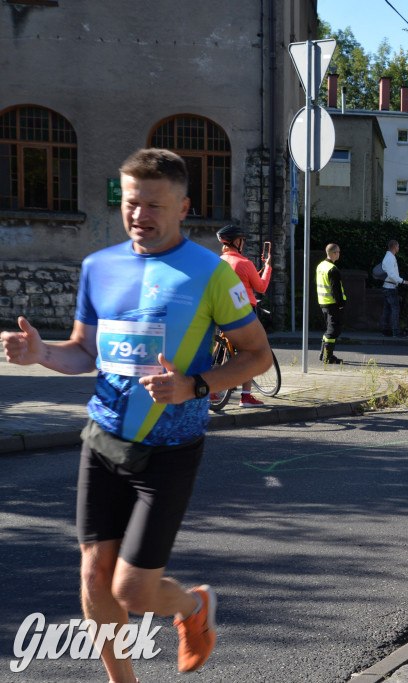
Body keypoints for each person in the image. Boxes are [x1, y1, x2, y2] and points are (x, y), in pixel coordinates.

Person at [1, 149, 272, 681]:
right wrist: (41, 354)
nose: (139, 215)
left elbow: (257, 355)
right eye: (131, 202)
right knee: (93, 576)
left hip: (170, 450)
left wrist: (194, 385)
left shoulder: (211, 273)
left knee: (133, 590)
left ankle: (192, 607)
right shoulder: (99, 267)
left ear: (183, 208)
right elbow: (84, 351)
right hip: (102, 439)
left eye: (154, 204)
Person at [216, 224, 272, 407]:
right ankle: (246, 397)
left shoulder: (218, 262)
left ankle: (211, 391)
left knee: (218, 349)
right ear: (236, 242)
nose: (243, 243)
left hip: (221, 310)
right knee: (250, 352)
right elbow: (261, 287)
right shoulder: (245, 263)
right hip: (243, 312)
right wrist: (267, 267)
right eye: (241, 240)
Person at [316, 243, 345, 364]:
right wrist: (340, 303)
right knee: (333, 331)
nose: (339, 254)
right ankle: (328, 357)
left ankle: (324, 354)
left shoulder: (321, 266)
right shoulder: (332, 269)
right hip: (332, 304)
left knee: (329, 329)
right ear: (334, 253)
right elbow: (335, 289)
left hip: (323, 302)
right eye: (338, 252)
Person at [380, 239, 408, 337]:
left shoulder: (389, 257)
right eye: (398, 246)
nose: (398, 248)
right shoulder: (390, 258)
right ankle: (395, 332)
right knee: (395, 309)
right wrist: (403, 281)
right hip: (390, 287)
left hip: (387, 286)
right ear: (395, 247)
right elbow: (392, 275)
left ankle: (385, 330)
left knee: (387, 309)